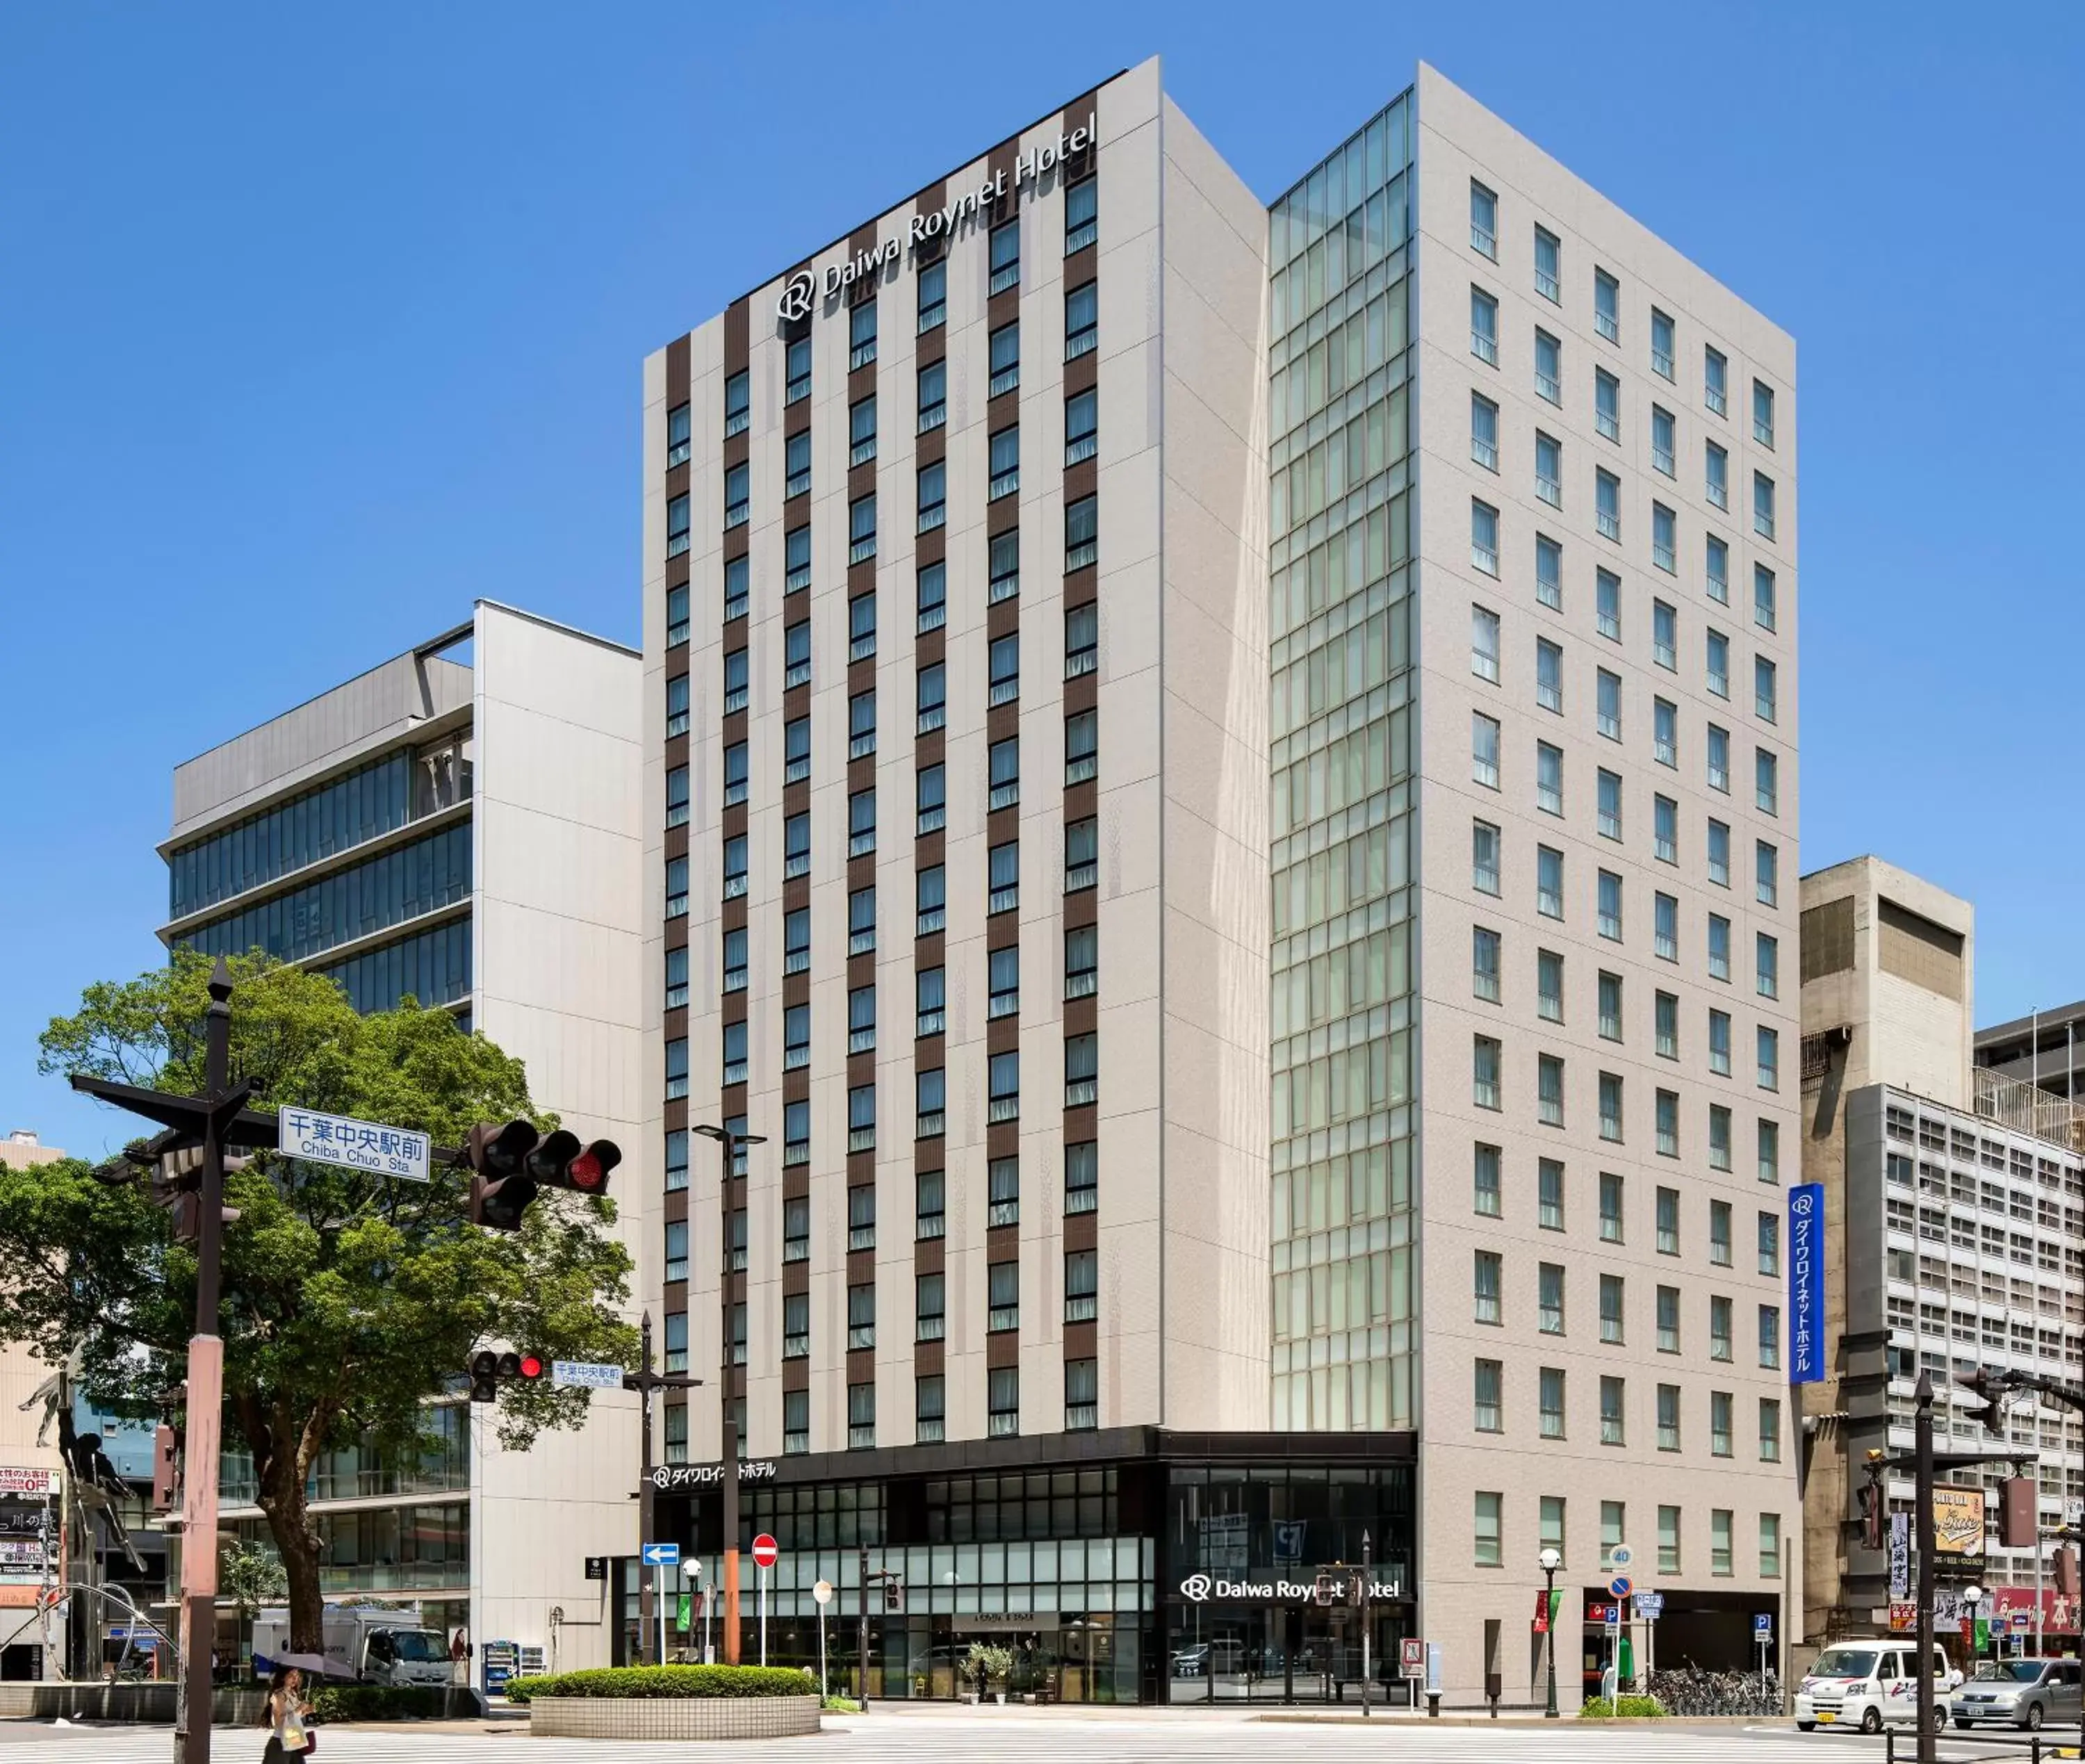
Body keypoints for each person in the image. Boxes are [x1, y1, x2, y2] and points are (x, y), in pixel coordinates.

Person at [259, 1664, 315, 1760]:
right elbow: (278, 1722)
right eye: (291, 1676)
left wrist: (305, 1711)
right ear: (282, 1678)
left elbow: (293, 1718)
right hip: (280, 1743)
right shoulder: (279, 1696)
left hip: (293, 1740)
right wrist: (299, 1709)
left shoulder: (293, 1694)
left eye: (297, 1676)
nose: (295, 1679)